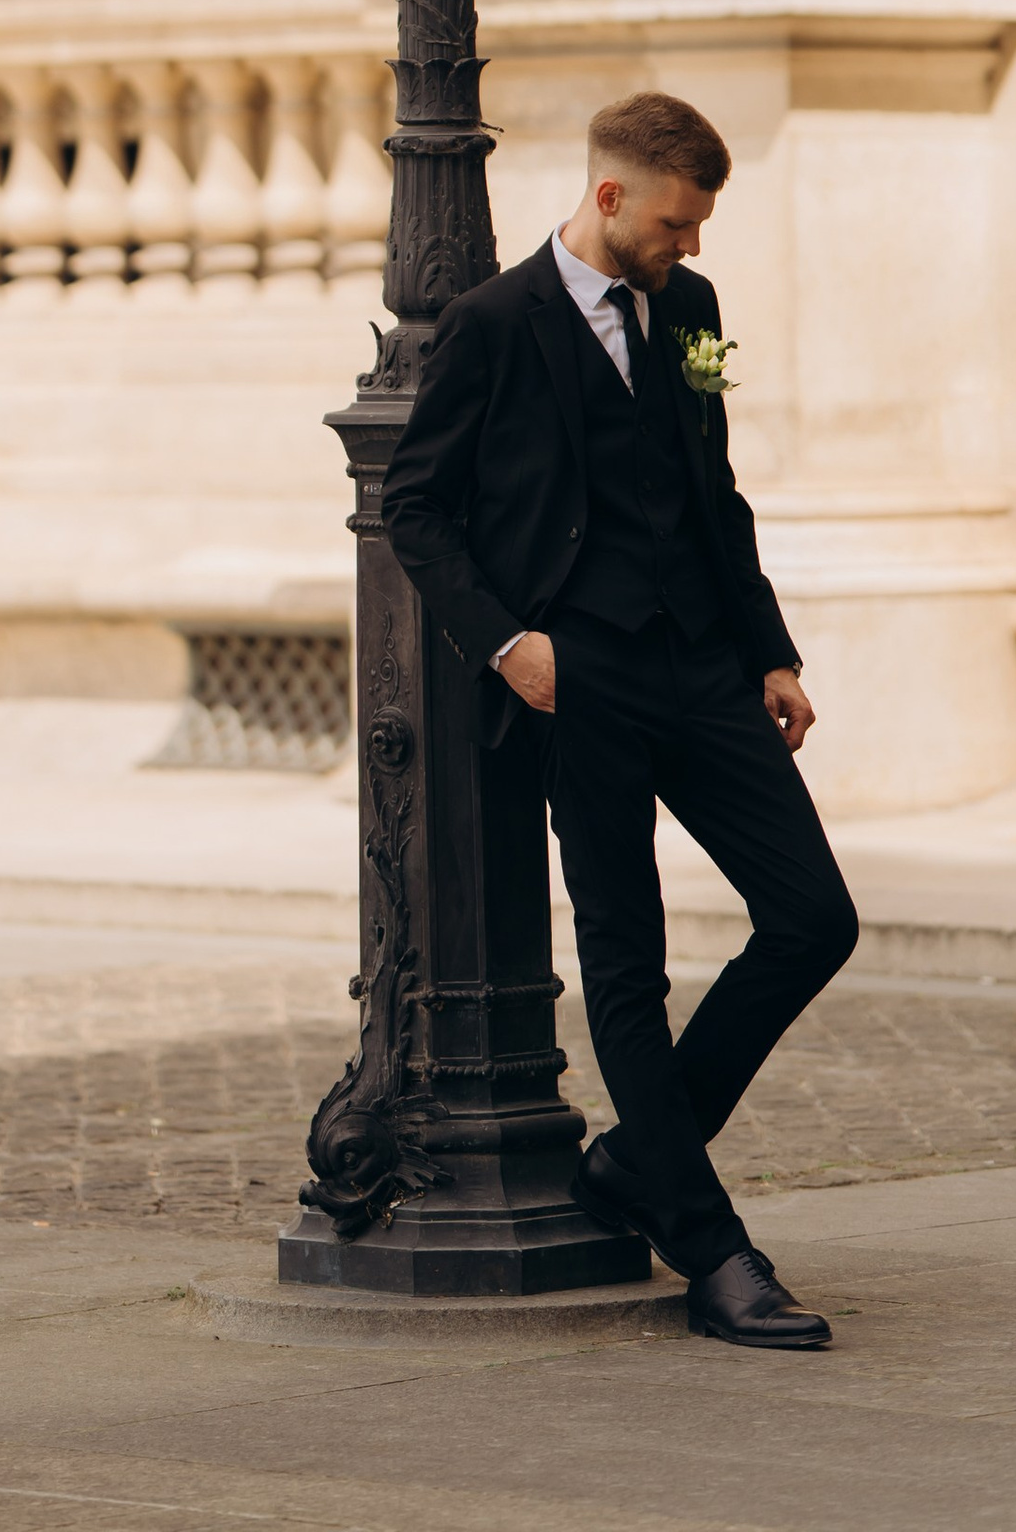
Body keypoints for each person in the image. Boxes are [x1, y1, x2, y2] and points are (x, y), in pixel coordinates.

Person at [381, 87, 858, 1350]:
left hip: (705, 670)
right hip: (575, 678)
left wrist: (768, 650)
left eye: (697, 224)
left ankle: (641, 1164)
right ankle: (711, 1251)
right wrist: (504, 641)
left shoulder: (692, 315)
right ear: (607, 198)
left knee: (815, 917)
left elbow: (717, 487)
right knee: (626, 960)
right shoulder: (489, 325)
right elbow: (415, 512)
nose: (690, 245)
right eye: (673, 221)